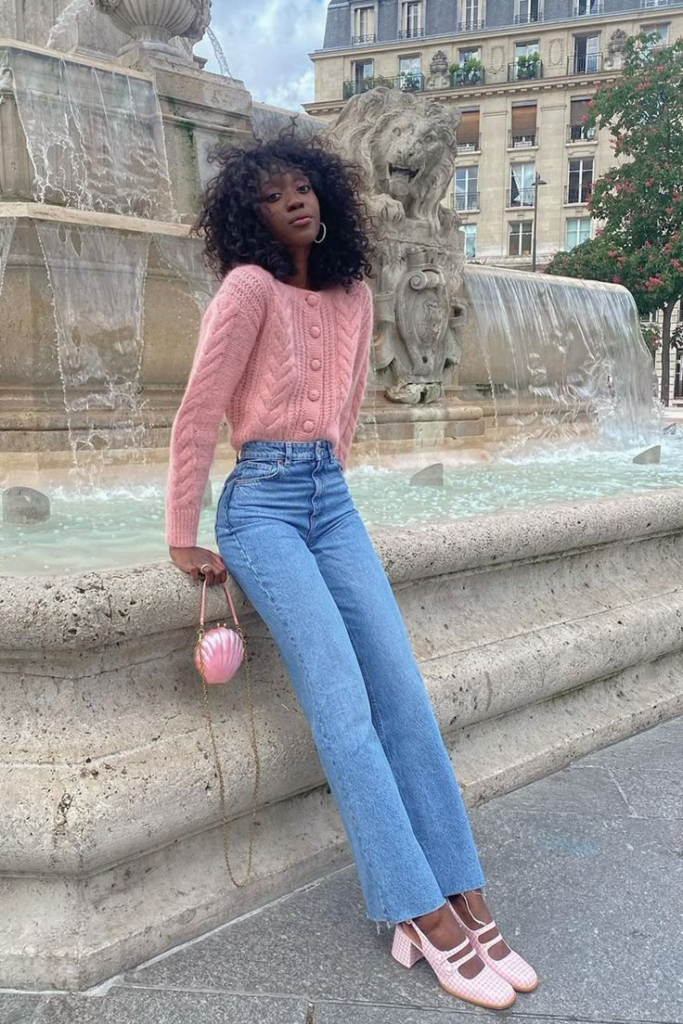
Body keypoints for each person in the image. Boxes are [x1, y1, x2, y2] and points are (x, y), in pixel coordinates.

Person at [165, 135, 538, 1011]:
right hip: (258, 507)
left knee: (402, 698)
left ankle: (465, 895)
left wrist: (328, 474)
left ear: (327, 194)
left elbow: (343, 418)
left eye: (303, 187)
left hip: (329, 503)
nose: (294, 202)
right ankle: (418, 911)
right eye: (272, 196)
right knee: (342, 710)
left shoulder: (355, 291)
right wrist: (184, 533)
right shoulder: (247, 289)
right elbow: (198, 412)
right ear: (246, 218)